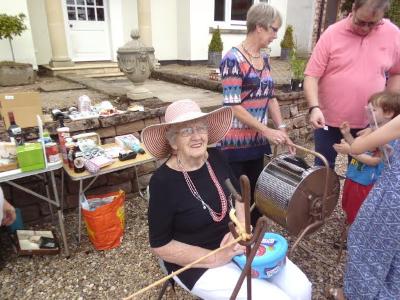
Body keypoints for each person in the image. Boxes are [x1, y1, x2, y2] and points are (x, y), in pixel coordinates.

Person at [141, 99, 312, 300]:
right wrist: (216, 257)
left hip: (236, 242)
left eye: (200, 128)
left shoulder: (215, 157)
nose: (196, 137)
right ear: (172, 142)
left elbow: (239, 197)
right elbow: (160, 246)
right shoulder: (163, 183)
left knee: (301, 289)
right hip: (197, 262)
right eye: (186, 131)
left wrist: (241, 228)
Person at [218, 3, 293, 225]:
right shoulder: (232, 59)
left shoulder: (264, 58)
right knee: (239, 197)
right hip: (234, 143)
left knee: (256, 193)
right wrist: (266, 129)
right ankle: (237, 241)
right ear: (259, 27)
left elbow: (270, 97)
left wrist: (281, 129)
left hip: (256, 141)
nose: (276, 36)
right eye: (274, 29)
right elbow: (234, 105)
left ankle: (256, 241)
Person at [304, 0, 400, 169]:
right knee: (322, 169)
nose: (365, 28)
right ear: (354, 8)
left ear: (383, 16)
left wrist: (388, 110)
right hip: (327, 120)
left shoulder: (393, 34)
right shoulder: (332, 33)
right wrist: (314, 108)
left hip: (370, 123)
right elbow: (311, 76)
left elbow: (397, 72)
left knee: (360, 173)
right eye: (361, 22)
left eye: (372, 24)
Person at [326, 111, 400, 299]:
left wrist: (352, 144)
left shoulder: (390, 127)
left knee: (366, 243)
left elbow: (361, 149)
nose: (368, 109)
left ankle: (356, 293)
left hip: (392, 199)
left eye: (373, 108)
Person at [332, 91, 400, 248]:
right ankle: (350, 231)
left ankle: (353, 239)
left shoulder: (389, 136)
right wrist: (348, 135)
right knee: (349, 207)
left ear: (389, 113)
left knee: (359, 212)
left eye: (373, 110)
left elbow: (373, 160)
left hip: (366, 183)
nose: (368, 111)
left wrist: (349, 150)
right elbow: (358, 147)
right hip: (355, 176)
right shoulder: (372, 129)